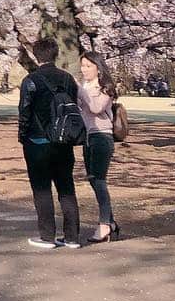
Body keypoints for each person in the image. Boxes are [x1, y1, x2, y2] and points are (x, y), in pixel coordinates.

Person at [18, 37, 81, 248]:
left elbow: (24, 112)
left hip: (37, 142)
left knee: (42, 189)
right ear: (56, 54)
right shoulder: (68, 79)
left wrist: (22, 136)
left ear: (37, 55)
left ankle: (47, 236)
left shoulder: (31, 81)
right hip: (64, 141)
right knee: (66, 188)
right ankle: (72, 237)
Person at [77, 50, 121, 243]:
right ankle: (110, 222)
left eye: (88, 66)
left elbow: (96, 108)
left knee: (99, 180)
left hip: (102, 136)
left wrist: (80, 91)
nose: (84, 69)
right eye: (83, 65)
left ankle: (104, 225)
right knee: (93, 180)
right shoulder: (84, 86)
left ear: (98, 67)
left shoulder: (106, 87)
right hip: (87, 137)